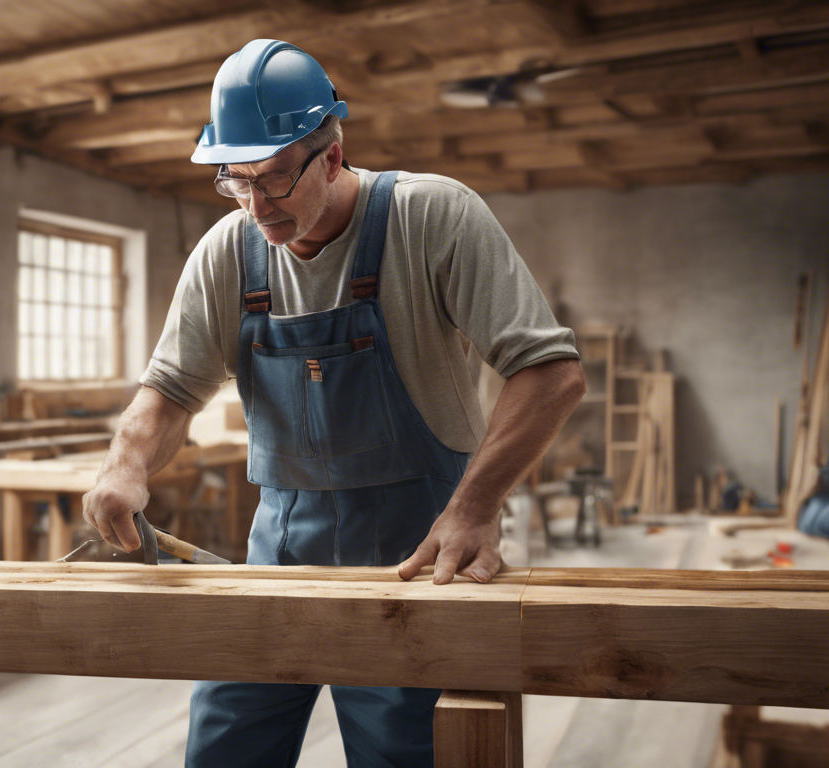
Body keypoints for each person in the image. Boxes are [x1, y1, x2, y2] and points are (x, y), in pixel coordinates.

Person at [82, 39, 586, 767]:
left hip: (419, 551)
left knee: (407, 751)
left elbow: (550, 372)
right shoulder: (229, 252)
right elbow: (169, 389)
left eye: (276, 179)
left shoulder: (430, 218)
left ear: (331, 153)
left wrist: (474, 509)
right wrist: (125, 466)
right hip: (280, 547)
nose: (257, 206)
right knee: (226, 743)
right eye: (236, 181)